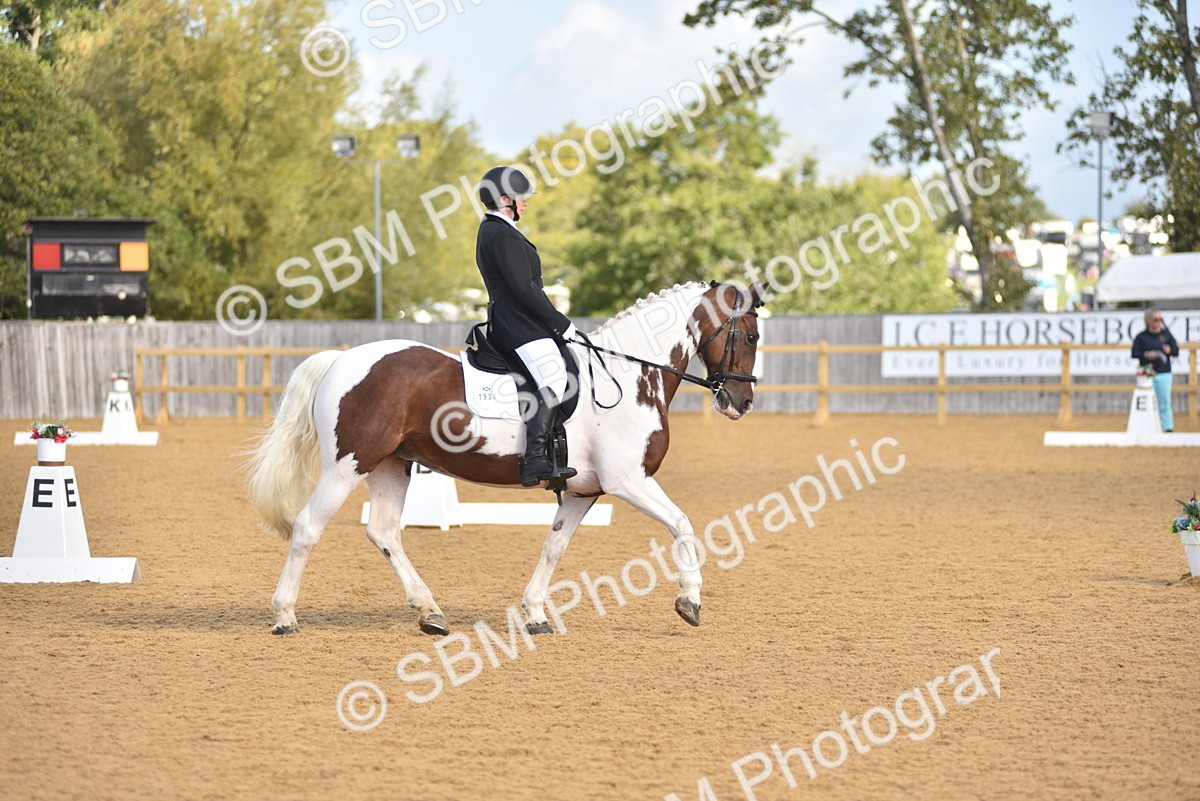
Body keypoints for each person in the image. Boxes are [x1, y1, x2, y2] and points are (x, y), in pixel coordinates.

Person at [474, 165, 578, 486]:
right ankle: (534, 459)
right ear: (505, 199)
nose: (526, 202)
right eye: (521, 197)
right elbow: (525, 289)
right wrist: (560, 324)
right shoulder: (501, 234)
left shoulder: (494, 229)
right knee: (555, 376)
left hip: (516, 322)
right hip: (517, 325)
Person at [1132, 308, 1178, 432]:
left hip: (1164, 373)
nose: (1158, 322)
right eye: (1155, 319)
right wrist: (1146, 355)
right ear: (1148, 320)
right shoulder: (1141, 336)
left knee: (1164, 402)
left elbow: (1176, 350)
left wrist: (1170, 350)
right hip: (1147, 374)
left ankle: (1167, 427)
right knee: (1146, 402)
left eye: (1160, 319)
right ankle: (1146, 428)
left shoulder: (1166, 335)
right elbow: (1134, 353)